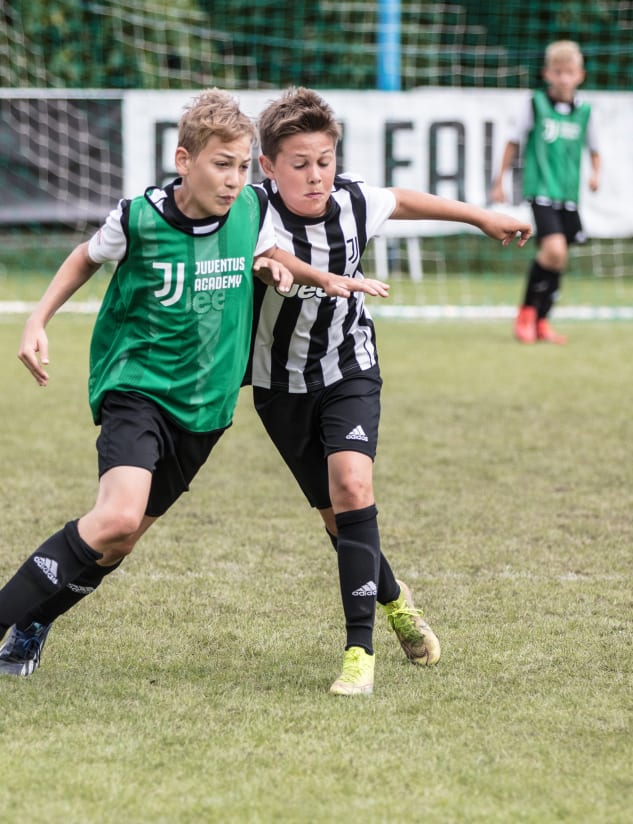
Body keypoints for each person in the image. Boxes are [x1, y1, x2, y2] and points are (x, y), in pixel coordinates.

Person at [0, 88, 386, 677]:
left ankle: (33, 620)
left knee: (119, 542)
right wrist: (37, 319)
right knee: (117, 518)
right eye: (219, 165)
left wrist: (302, 274)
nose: (232, 181)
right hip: (138, 389)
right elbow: (85, 255)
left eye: (239, 167)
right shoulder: (140, 218)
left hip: (205, 408)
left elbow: (264, 256)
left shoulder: (252, 213)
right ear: (185, 161)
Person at [249, 86, 532, 696]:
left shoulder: (352, 200)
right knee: (339, 521)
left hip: (350, 367)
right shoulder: (251, 212)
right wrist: (274, 267)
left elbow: (402, 199)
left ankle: (359, 654)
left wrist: (481, 216)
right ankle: (397, 599)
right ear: (269, 167)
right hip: (279, 385)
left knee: (352, 484)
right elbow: (266, 255)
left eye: (324, 160)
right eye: (299, 164)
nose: (315, 175)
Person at [491, 39, 601, 345]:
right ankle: (526, 315)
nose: (564, 78)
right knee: (554, 251)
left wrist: (596, 174)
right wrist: (499, 180)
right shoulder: (535, 105)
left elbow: (595, 149)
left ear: (580, 75)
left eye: (569, 72)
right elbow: (513, 141)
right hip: (541, 190)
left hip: (569, 195)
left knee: (557, 260)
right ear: (547, 74)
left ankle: (541, 321)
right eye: (558, 72)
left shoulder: (585, 111)